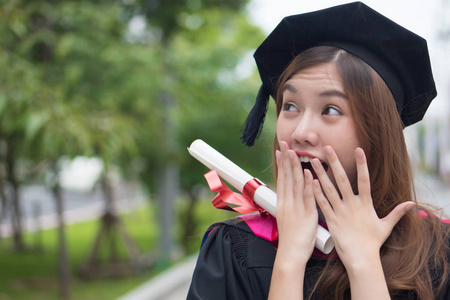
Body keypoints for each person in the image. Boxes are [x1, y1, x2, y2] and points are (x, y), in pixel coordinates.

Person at [187, 2, 450, 299]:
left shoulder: (439, 252)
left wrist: (364, 264)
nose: (300, 133)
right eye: (290, 106)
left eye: (331, 109)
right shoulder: (234, 248)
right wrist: (290, 257)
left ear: (379, 132)